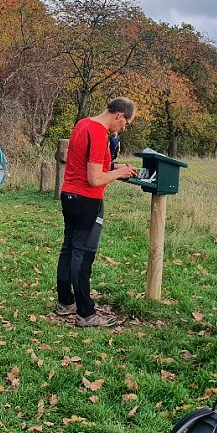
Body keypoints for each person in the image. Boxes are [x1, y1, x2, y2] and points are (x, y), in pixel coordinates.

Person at [55, 98, 137, 327]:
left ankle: (65, 302)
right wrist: (118, 174)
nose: (124, 127)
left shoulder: (83, 124)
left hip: (69, 194)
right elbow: (94, 179)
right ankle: (85, 313)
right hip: (87, 200)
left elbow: (89, 166)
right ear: (119, 115)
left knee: (68, 249)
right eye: (126, 122)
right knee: (83, 255)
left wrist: (116, 168)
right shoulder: (99, 133)